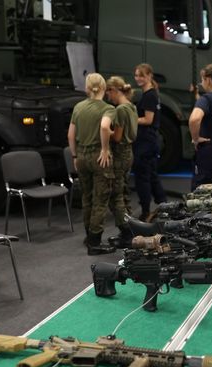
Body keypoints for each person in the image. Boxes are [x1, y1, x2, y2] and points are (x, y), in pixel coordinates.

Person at [67, 73, 116, 255]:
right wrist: (104, 148)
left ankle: (88, 236)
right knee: (100, 199)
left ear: (87, 88)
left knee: (86, 197)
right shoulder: (108, 108)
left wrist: (74, 155)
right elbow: (104, 126)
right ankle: (95, 242)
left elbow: (70, 135)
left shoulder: (78, 107)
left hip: (81, 155)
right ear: (103, 87)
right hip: (98, 157)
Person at [105, 75, 137, 248]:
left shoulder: (120, 110)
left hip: (119, 154)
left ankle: (126, 233)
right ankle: (131, 229)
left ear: (114, 90)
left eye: (108, 92)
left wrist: (104, 131)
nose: (108, 96)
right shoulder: (131, 106)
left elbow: (117, 137)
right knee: (123, 193)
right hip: (129, 152)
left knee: (116, 196)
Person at [132, 63, 167, 221]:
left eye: (141, 75)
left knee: (142, 178)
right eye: (136, 75)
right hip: (149, 141)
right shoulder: (150, 94)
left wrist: (130, 118)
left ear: (149, 76)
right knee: (152, 175)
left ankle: (146, 211)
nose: (138, 78)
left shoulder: (149, 96)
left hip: (145, 142)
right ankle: (164, 206)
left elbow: (148, 119)